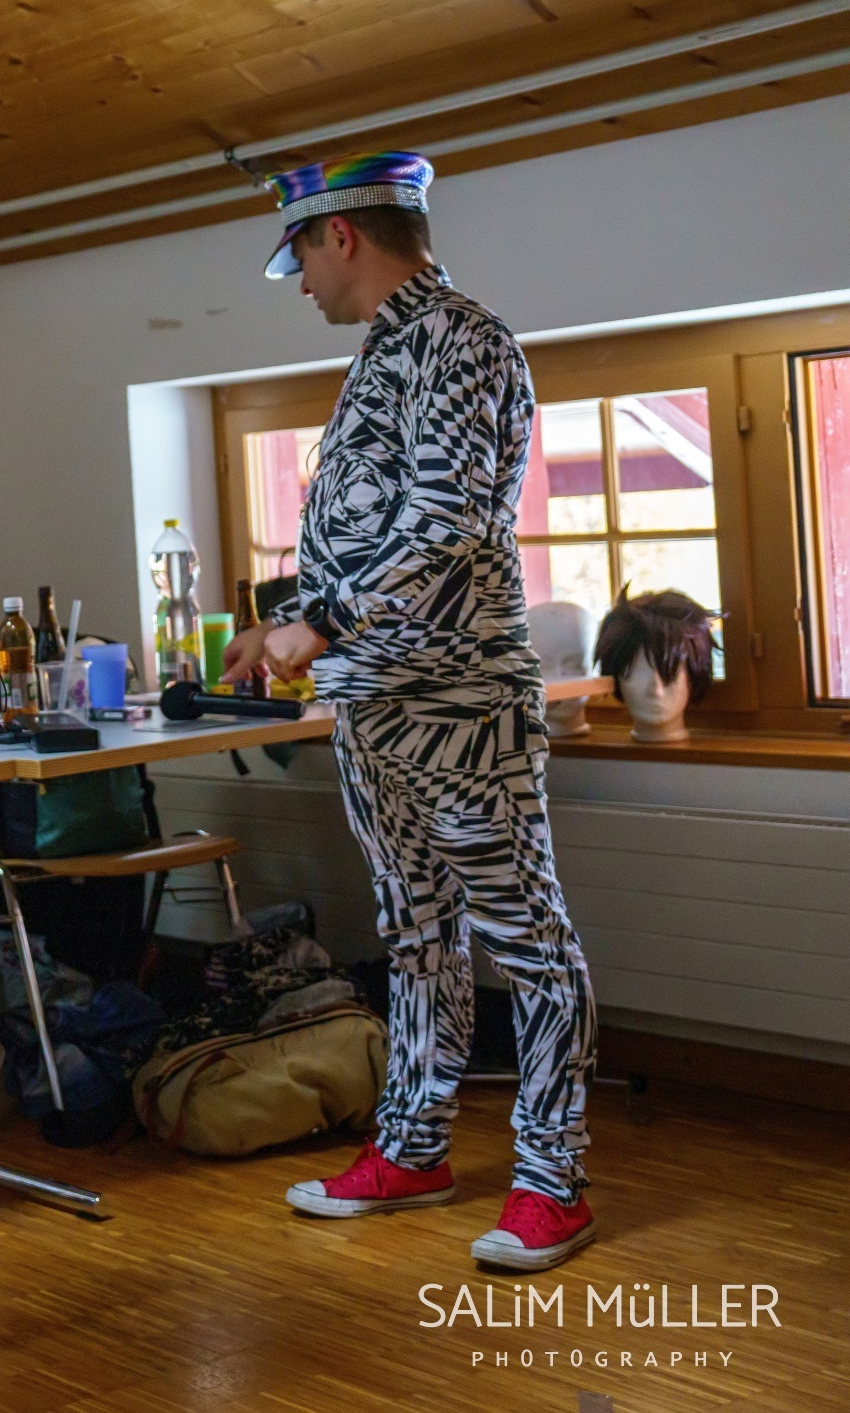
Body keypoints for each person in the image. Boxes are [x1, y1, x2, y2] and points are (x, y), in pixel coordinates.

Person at [221, 153, 601, 1273]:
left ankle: (552, 1181)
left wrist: (320, 622)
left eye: (298, 254)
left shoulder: (462, 341)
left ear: (340, 234)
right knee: (417, 934)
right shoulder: (381, 355)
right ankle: (413, 1148)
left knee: (527, 944)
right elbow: (377, 527)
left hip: (459, 708)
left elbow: (447, 524)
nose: (299, 280)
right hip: (373, 707)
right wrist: (283, 622)